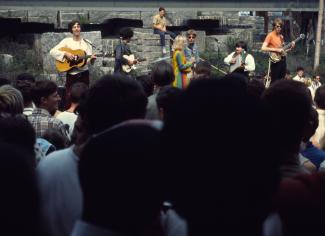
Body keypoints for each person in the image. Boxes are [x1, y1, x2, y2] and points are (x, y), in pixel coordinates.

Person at [50, 20, 96, 107]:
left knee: (85, 96)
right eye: (74, 27)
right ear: (71, 29)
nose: (76, 29)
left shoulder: (87, 42)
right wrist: (65, 53)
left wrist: (92, 60)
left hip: (84, 74)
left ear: (80, 28)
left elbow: (88, 61)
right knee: (69, 96)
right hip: (72, 74)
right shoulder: (66, 41)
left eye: (78, 26)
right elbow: (52, 51)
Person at [261, 18, 295, 83]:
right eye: (277, 26)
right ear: (274, 26)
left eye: (281, 26)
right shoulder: (270, 35)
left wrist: (291, 48)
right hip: (275, 60)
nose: (279, 28)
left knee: (282, 80)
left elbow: (283, 50)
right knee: (274, 80)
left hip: (282, 59)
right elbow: (263, 48)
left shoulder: (281, 36)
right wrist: (276, 49)